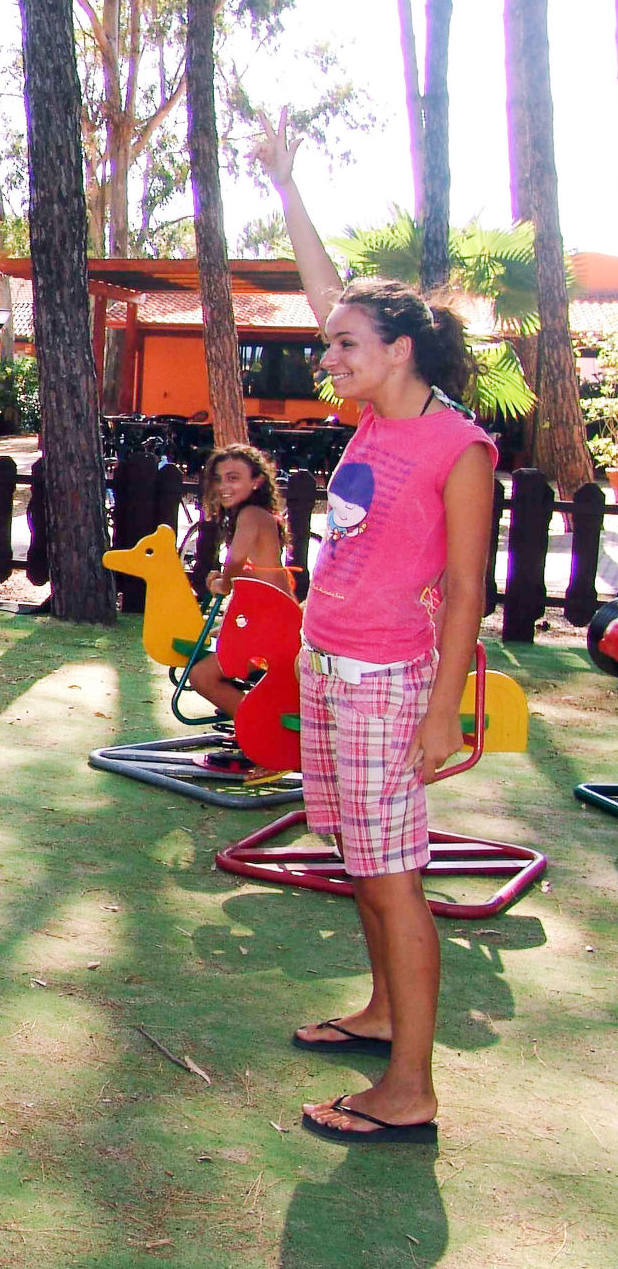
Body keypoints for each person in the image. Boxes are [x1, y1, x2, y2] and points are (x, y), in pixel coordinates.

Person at [254, 112, 496, 1146]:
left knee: (393, 878)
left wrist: (440, 715)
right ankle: (383, 1012)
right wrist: (281, 181)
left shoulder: (457, 446)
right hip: (328, 663)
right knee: (358, 855)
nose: (327, 356)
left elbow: (471, 590)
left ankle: (409, 1089)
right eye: (327, 344)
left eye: (345, 346)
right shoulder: (372, 416)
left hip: (389, 682)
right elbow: (326, 290)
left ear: (398, 351)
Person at [185, 444, 293, 721]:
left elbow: (235, 559)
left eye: (233, 478)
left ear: (256, 481)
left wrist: (225, 582)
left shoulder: (250, 515)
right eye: (219, 479)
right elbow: (256, 574)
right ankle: (253, 724)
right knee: (212, 662)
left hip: (275, 624)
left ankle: (261, 729)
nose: (223, 486)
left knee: (201, 677)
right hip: (275, 619)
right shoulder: (261, 515)